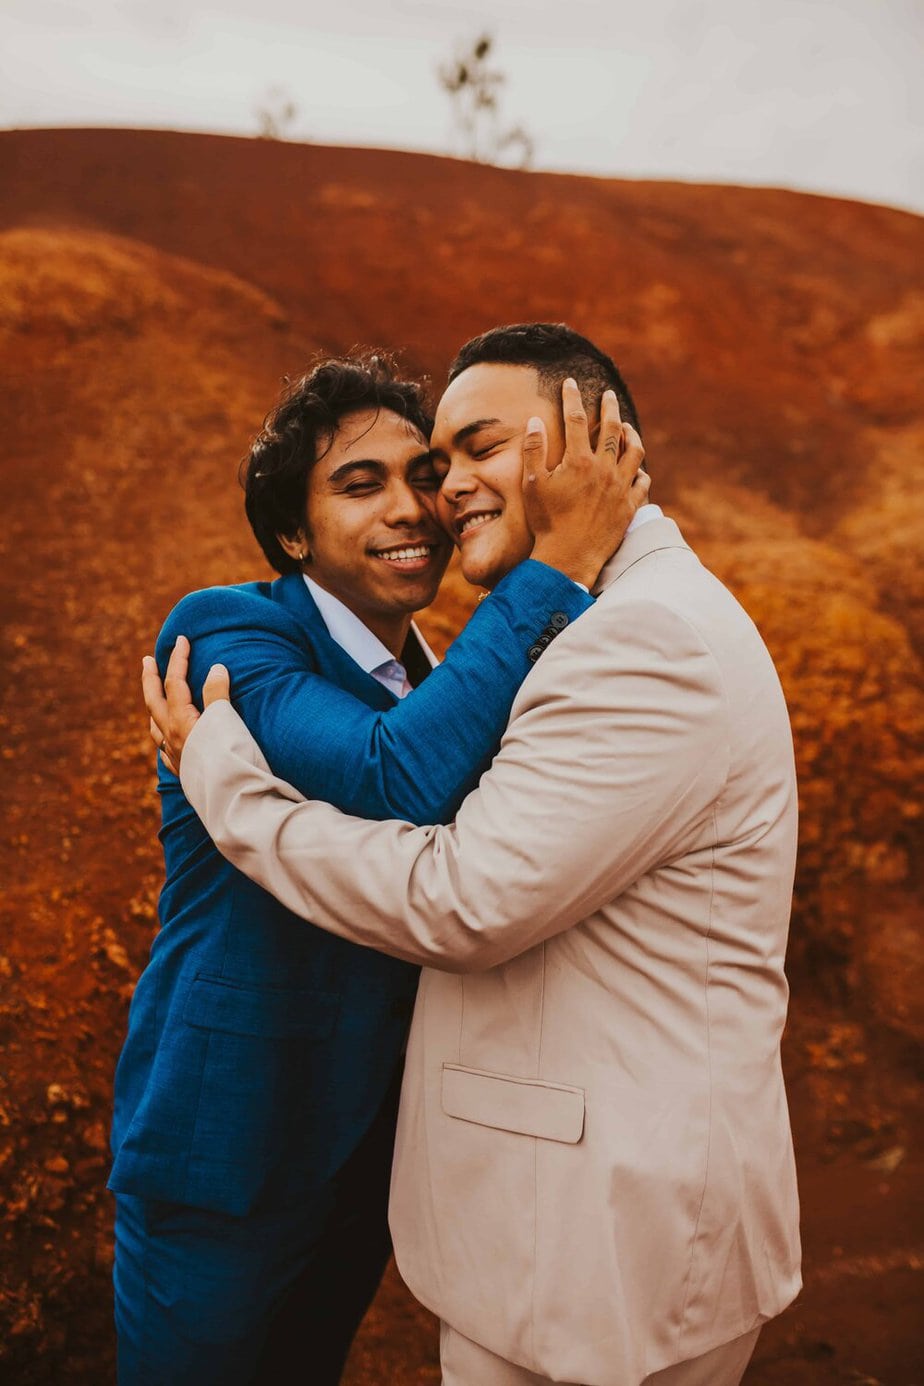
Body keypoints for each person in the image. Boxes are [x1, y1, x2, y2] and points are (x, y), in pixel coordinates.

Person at [147, 322, 802, 1386]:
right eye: (366, 483)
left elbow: (461, 884)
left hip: (538, 1206)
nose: (426, 499)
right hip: (236, 1146)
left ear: (597, 444)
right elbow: (398, 773)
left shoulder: (598, 642)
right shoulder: (227, 632)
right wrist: (555, 567)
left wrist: (224, 779)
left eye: (449, 461)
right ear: (295, 534)